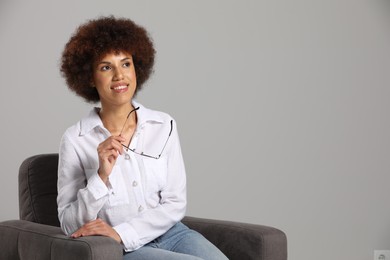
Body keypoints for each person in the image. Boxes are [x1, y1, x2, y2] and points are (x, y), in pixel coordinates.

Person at [57, 16, 228, 260]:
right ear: (89, 77)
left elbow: (175, 203)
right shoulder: (76, 139)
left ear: (137, 67)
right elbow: (68, 222)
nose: (119, 76)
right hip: (119, 248)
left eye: (125, 64)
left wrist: (124, 232)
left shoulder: (164, 125)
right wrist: (101, 176)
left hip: (173, 234)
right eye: (106, 67)